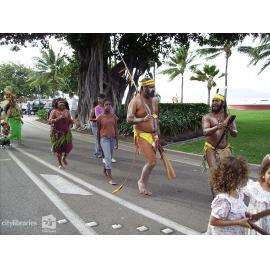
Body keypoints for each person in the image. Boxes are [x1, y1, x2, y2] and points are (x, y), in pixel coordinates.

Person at [127, 78, 159, 196]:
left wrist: (157, 133)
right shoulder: (135, 101)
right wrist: (142, 119)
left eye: (153, 87)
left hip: (153, 135)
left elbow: (156, 117)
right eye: (150, 87)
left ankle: (143, 181)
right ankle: (141, 182)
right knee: (151, 161)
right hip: (141, 134)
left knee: (153, 162)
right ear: (142, 88)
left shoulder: (154, 100)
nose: (152, 89)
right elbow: (129, 119)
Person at [202, 92, 238, 196]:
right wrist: (218, 126)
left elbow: (235, 133)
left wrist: (231, 129)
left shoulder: (229, 117)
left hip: (225, 148)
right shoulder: (207, 117)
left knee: (229, 172)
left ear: (222, 103)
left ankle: (227, 194)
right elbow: (205, 132)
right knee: (214, 172)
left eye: (216, 101)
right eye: (213, 101)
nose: (213, 103)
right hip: (211, 148)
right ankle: (216, 197)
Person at [207, 156, 252, 235]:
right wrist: (238, 222)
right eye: (237, 176)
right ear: (228, 178)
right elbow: (213, 221)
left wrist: (246, 214)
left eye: (241, 174)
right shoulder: (224, 200)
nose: (240, 178)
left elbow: (236, 211)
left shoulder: (238, 193)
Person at [242, 154, 270, 234]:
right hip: (255, 226)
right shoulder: (255, 188)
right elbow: (239, 197)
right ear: (263, 174)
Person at [49, 99, 78, 169]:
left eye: (63, 102)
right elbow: (49, 121)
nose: (62, 104)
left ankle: (64, 158)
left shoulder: (67, 111)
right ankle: (60, 164)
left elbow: (69, 120)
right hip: (57, 133)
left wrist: (74, 121)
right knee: (59, 149)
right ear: (57, 104)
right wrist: (57, 119)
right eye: (60, 102)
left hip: (66, 133)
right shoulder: (54, 111)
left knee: (69, 147)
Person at [97, 99, 118, 185]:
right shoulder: (100, 117)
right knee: (108, 157)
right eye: (106, 104)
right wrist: (99, 143)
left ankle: (105, 170)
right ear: (103, 106)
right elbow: (98, 131)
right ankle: (110, 177)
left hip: (112, 139)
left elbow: (116, 129)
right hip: (104, 139)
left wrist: (117, 141)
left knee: (109, 157)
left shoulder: (114, 116)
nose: (108, 106)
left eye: (109, 104)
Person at [95, 93, 116, 163]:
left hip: (110, 125)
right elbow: (97, 118)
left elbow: (113, 115)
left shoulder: (110, 107)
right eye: (98, 99)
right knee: (102, 141)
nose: (99, 100)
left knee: (110, 144)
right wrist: (105, 116)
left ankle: (109, 157)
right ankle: (102, 155)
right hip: (101, 126)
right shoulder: (97, 108)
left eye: (100, 98)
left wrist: (113, 118)